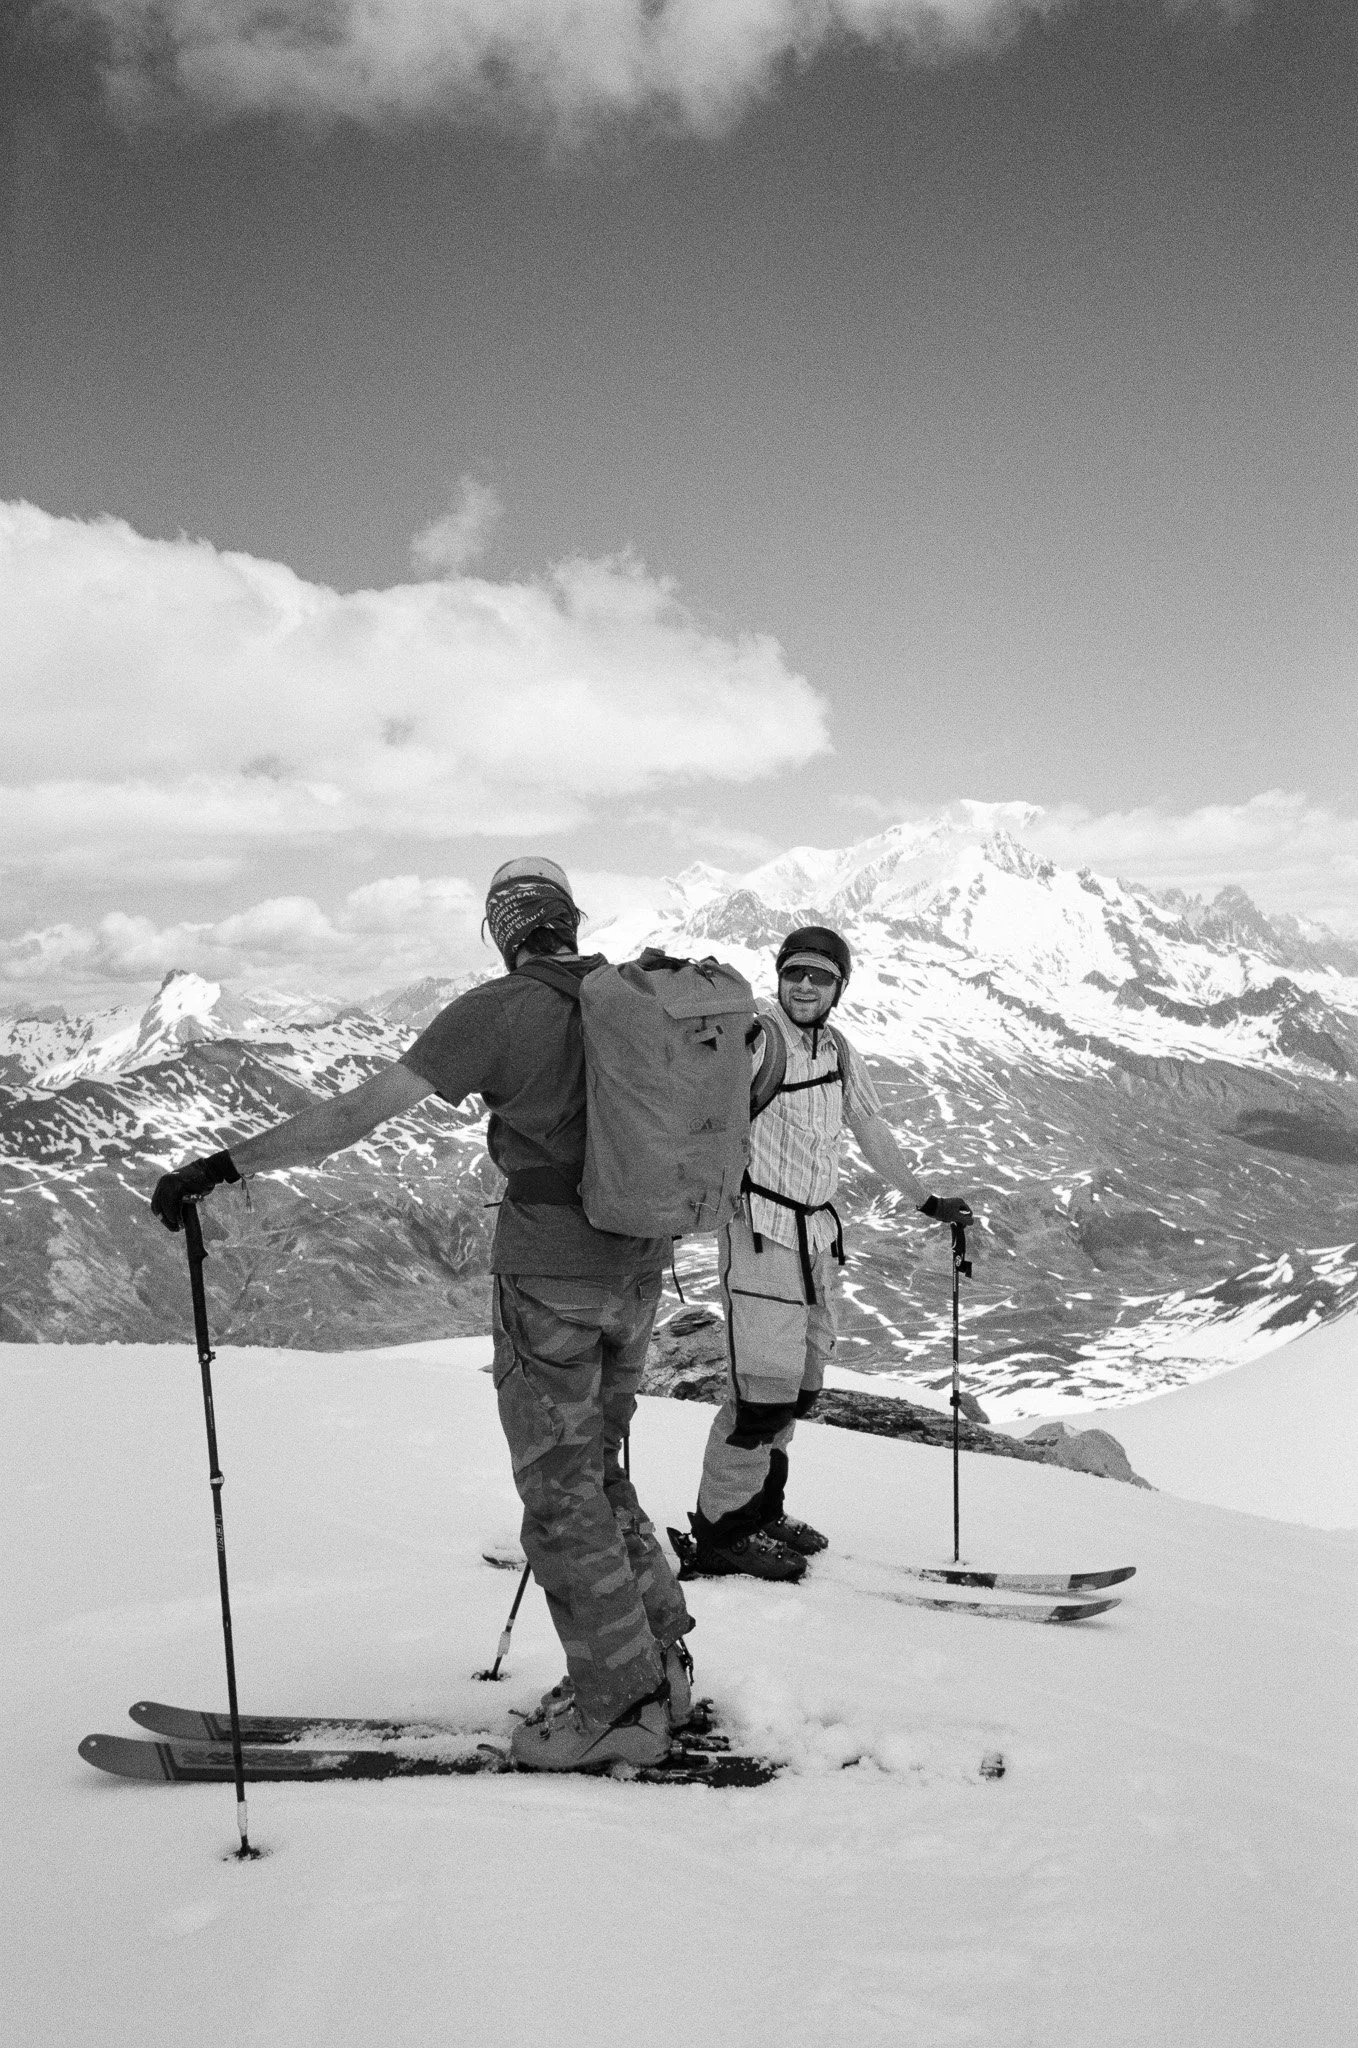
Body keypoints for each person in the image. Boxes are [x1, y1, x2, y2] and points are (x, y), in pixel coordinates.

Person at [150, 857, 695, 1774]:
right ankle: (660, 1668)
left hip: (551, 1275)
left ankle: (619, 1705)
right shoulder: (643, 999)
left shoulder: (497, 1011)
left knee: (559, 1494)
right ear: (571, 919)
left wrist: (223, 1165)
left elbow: (358, 1114)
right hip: (643, 1268)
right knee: (600, 1471)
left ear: (503, 932)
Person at [685, 924, 973, 1580]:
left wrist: (926, 1200)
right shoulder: (759, 1040)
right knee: (760, 1394)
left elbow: (870, 1128)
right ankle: (720, 1531)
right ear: (778, 977)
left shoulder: (840, 1049)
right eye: (795, 973)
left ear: (840, 986)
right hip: (758, 1232)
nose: (806, 985)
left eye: (820, 975)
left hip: (815, 1238)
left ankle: (761, 1509)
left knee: (802, 1386)